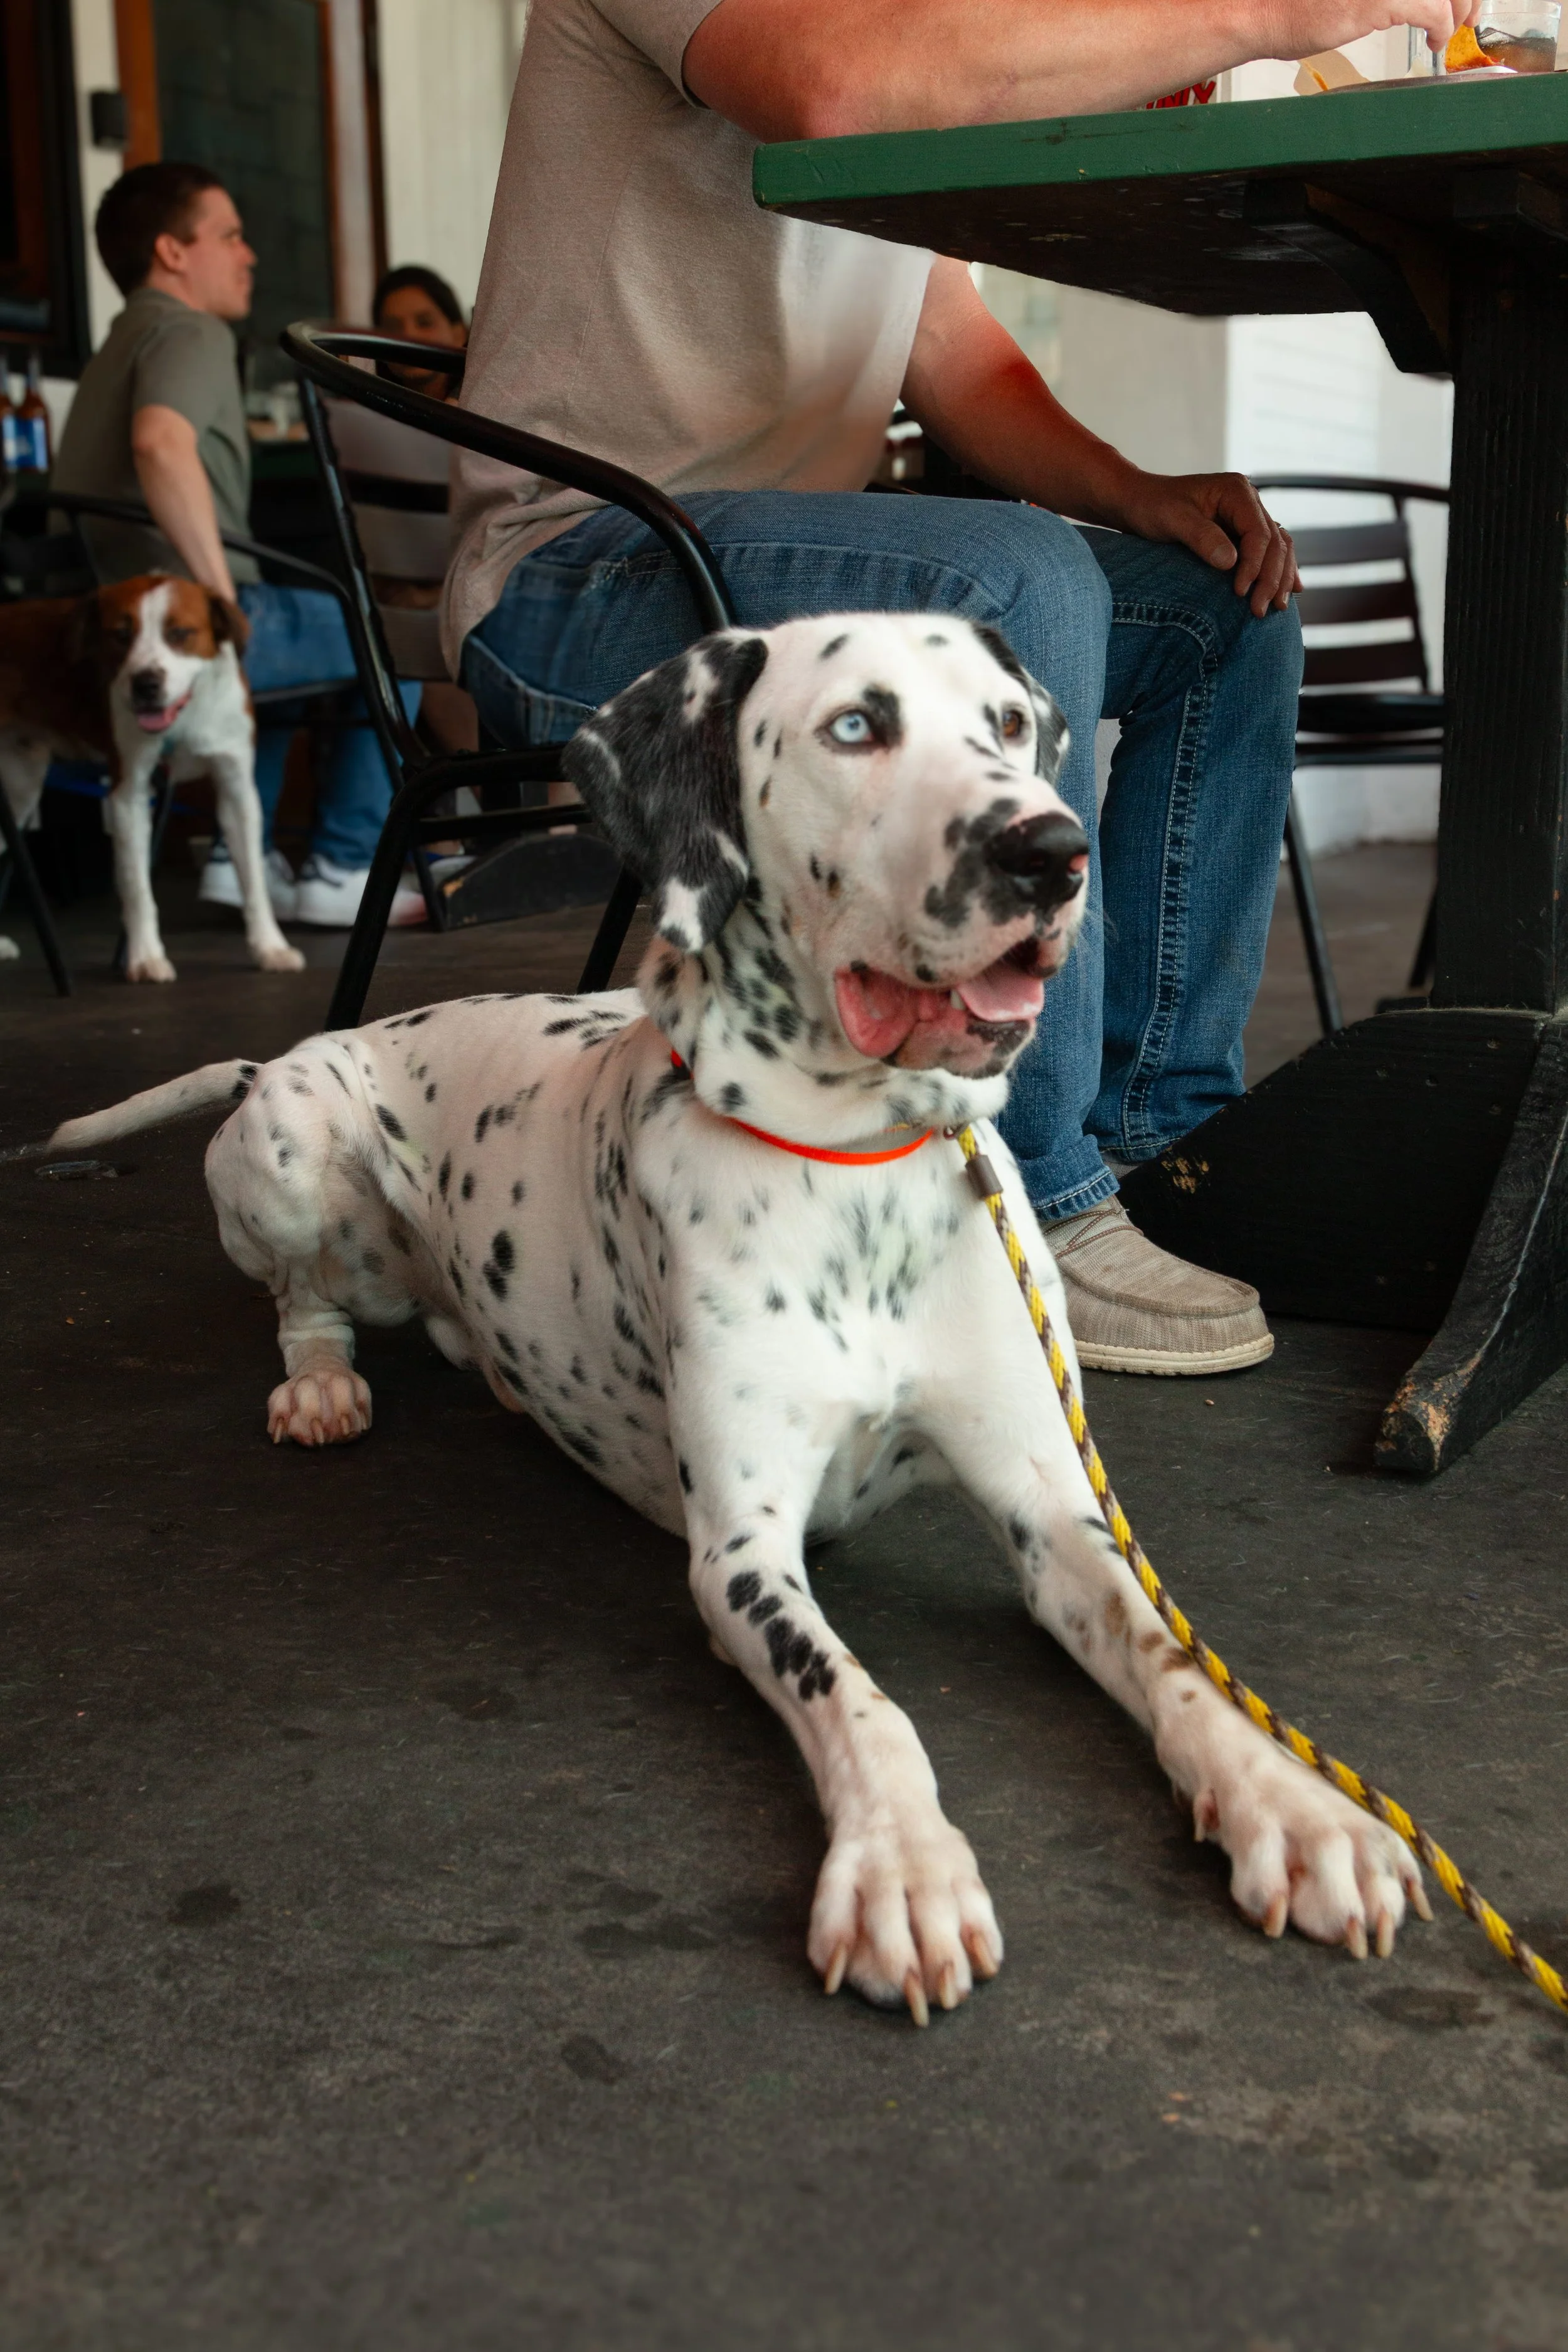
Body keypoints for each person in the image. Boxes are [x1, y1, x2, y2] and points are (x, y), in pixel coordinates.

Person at [442, 0, 1477, 1378]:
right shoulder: (838, 42)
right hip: (579, 573)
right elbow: (823, 83)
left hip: (781, 582)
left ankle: (1158, 1140)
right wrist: (1275, 14)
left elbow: (946, 345)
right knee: (1013, 580)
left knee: (1227, 609)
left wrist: (1144, 497)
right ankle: (1022, 1185)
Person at [53, 161, 421, 928]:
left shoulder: (118, 342)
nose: (249, 254)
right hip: (182, 629)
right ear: (172, 252)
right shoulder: (188, 329)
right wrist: (218, 602)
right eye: (229, 235)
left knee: (309, 639)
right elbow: (160, 443)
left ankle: (233, 854)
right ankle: (342, 863)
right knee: (394, 641)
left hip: (121, 633)